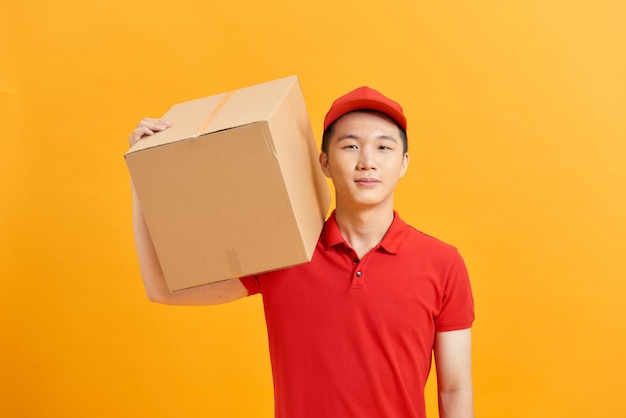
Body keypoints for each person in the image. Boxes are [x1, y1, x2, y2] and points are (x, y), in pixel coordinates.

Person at [129, 86, 475, 418]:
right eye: (350, 146)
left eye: (383, 148)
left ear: (403, 163)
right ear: (324, 162)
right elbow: (162, 288)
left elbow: (454, 390)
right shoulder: (284, 250)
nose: (367, 162)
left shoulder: (443, 263)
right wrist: (142, 174)